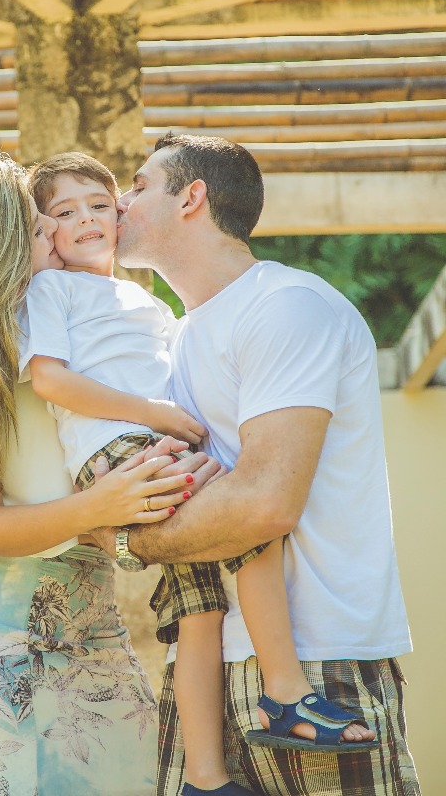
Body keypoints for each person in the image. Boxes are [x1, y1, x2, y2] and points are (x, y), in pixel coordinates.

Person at [22, 152, 375, 796]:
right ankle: (284, 692)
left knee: (202, 612)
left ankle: (206, 776)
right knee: (250, 532)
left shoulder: (147, 302)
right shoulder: (53, 289)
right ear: (45, 233)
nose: (93, 217)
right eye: (65, 213)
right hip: (124, 448)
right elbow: (48, 379)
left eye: (102, 203)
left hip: (151, 443)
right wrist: (152, 414)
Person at [92, 132, 419, 796]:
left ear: (192, 197)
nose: (118, 202)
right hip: (204, 663)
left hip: (319, 664)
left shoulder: (287, 307)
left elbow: (265, 503)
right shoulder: (174, 338)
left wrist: (120, 534)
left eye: (138, 185)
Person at [0, 152, 205, 796]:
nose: (56, 232)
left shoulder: (76, 319)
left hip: (83, 610)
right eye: (38, 228)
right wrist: (99, 508)